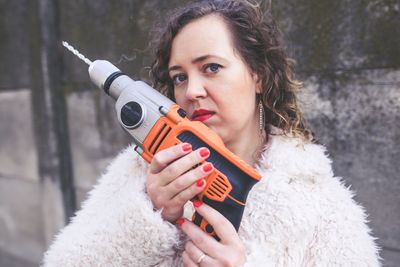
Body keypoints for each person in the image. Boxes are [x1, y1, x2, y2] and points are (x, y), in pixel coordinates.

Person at [42, 0, 380, 266]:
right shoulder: (140, 176)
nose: (192, 91)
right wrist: (149, 215)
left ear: (258, 75)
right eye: (179, 77)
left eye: (211, 68)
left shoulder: (323, 209)